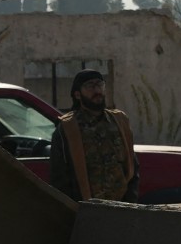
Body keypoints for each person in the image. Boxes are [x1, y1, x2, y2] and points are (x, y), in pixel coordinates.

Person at [49, 69, 140, 203]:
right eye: (90, 86)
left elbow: (132, 165)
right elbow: (59, 177)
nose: (97, 90)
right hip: (86, 207)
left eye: (99, 85)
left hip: (121, 206)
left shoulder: (120, 121)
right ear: (78, 95)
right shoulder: (68, 128)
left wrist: (131, 199)